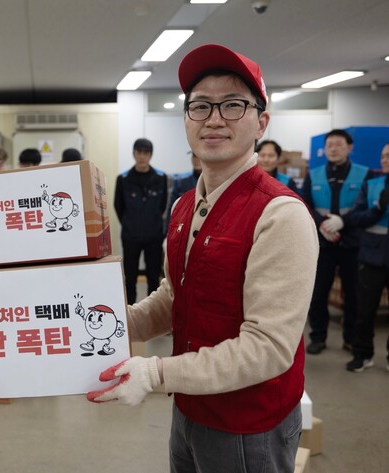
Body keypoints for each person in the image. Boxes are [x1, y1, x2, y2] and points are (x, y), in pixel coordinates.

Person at [88, 44, 318, 473]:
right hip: (189, 407)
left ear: (261, 122)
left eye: (232, 105)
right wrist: (114, 323)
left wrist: (156, 373)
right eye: (200, 106)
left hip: (248, 425)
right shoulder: (184, 205)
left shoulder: (280, 214)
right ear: (186, 120)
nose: (214, 119)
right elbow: (174, 297)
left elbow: (269, 347)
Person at [301, 129, 371, 355]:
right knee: (318, 293)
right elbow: (305, 204)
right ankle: (318, 336)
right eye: (329, 144)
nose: (333, 149)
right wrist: (322, 224)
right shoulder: (314, 174)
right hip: (323, 244)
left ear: (350, 148)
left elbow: (367, 207)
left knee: (353, 294)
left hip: (352, 243)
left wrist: (343, 222)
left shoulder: (365, 174)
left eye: (339, 144)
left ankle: (350, 338)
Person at [343, 143, 389, 372]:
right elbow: (355, 218)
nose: (384, 160)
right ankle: (362, 354)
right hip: (372, 256)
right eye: (383, 156)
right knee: (365, 310)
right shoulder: (371, 185)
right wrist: (377, 209)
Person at [114, 138, 168, 304]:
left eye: (146, 152)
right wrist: (130, 223)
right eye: (139, 152)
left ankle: (152, 313)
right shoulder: (123, 179)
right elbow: (118, 206)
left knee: (153, 277)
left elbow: (162, 205)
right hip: (131, 236)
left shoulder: (160, 178)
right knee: (130, 277)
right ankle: (130, 311)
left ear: (150, 155)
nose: (142, 156)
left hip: (154, 236)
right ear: (134, 154)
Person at [165, 151, 202, 231]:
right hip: (183, 228)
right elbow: (172, 208)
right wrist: (168, 231)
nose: (196, 160)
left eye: (199, 156)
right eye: (194, 156)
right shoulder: (181, 182)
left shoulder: (215, 183)